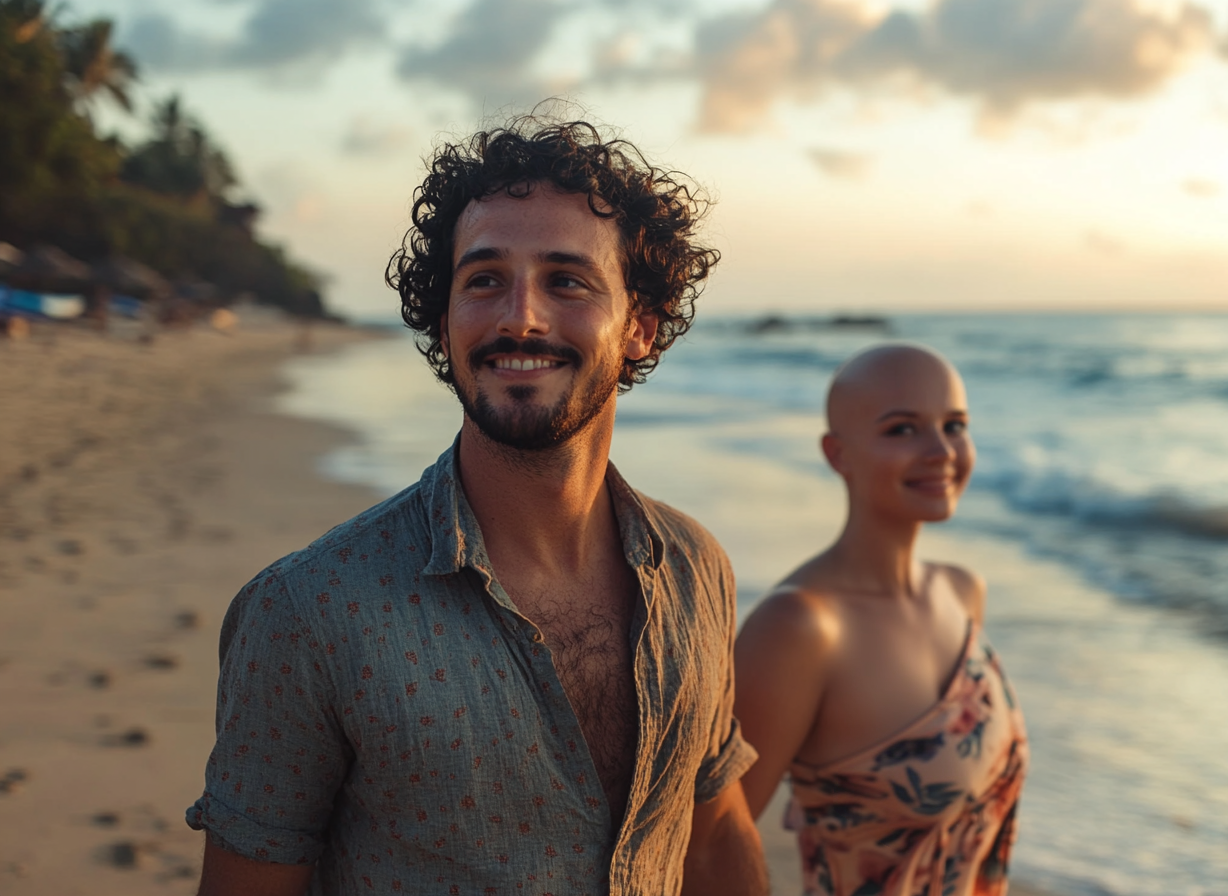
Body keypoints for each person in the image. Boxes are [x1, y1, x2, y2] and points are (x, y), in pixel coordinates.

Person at [187, 117, 768, 896]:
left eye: (567, 280)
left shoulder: (696, 570)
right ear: (444, 316)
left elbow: (715, 831)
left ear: (639, 326)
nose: (518, 316)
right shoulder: (309, 614)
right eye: (484, 279)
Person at [734, 344, 1028, 896]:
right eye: (902, 430)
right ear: (837, 453)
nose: (941, 450)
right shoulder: (799, 628)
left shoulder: (964, 592)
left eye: (955, 425)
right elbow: (710, 844)